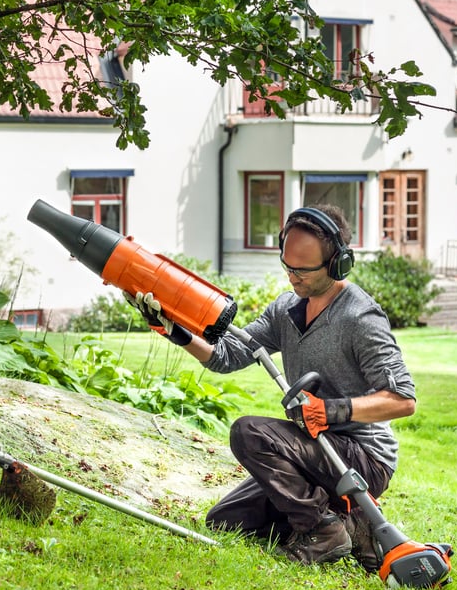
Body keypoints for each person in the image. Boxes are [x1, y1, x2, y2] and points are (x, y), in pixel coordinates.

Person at [127, 205, 416, 569]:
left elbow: (403, 400)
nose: (292, 277)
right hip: (315, 453)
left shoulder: (360, 317)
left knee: (250, 432)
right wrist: (175, 331)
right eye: (287, 265)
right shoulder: (287, 309)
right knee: (227, 520)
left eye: (303, 270)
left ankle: (323, 529)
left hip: (361, 459)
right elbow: (227, 356)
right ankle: (350, 524)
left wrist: (329, 410)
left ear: (337, 264)